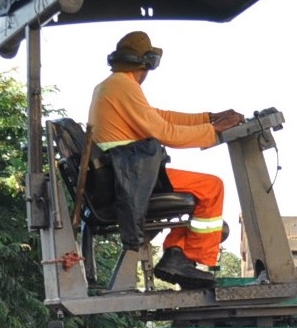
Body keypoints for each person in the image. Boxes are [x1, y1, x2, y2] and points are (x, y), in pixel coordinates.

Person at [88, 30, 244, 287]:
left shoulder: (111, 85)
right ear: (147, 63)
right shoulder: (123, 85)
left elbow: (159, 116)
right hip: (131, 177)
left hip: (124, 174)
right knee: (211, 187)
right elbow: (165, 131)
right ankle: (188, 257)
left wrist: (209, 118)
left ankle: (176, 255)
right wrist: (214, 130)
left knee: (200, 193)